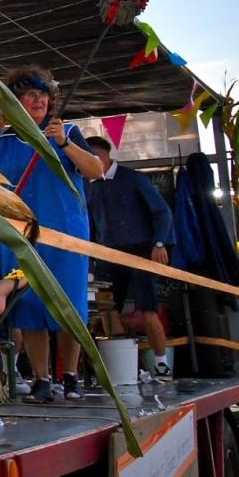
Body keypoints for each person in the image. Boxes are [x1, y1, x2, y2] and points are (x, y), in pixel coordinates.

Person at [0, 66, 105, 403]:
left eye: (42, 95)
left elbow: (95, 170)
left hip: (67, 233)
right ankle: (41, 379)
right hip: (22, 234)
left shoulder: (66, 131)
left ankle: (70, 376)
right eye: (29, 95)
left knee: (68, 305)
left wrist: (64, 143)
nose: (38, 100)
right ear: (14, 101)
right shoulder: (1, 139)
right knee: (30, 306)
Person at [84, 135, 175, 377]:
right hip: (107, 251)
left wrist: (159, 243)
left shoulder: (133, 179)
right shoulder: (89, 185)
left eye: (92, 155)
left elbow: (162, 212)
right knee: (108, 306)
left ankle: (160, 361)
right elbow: (91, 223)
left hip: (140, 249)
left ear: (104, 155)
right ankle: (122, 363)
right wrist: (90, 254)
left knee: (148, 307)